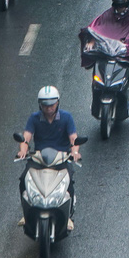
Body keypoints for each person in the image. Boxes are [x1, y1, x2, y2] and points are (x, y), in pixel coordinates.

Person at [16, 86, 81, 229]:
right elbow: (26, 137)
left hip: (61, 158)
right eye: (45, 105)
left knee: (68, 181)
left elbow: (73, 139)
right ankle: (26, 213)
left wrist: (75, 153)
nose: (48, 108)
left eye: (51, 104)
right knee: (23, 180)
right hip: (39, 158)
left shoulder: (66, 117)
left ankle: (68, 216)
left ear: (57, 103)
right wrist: (22, 151)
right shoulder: (34, 118)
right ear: (40, 104)